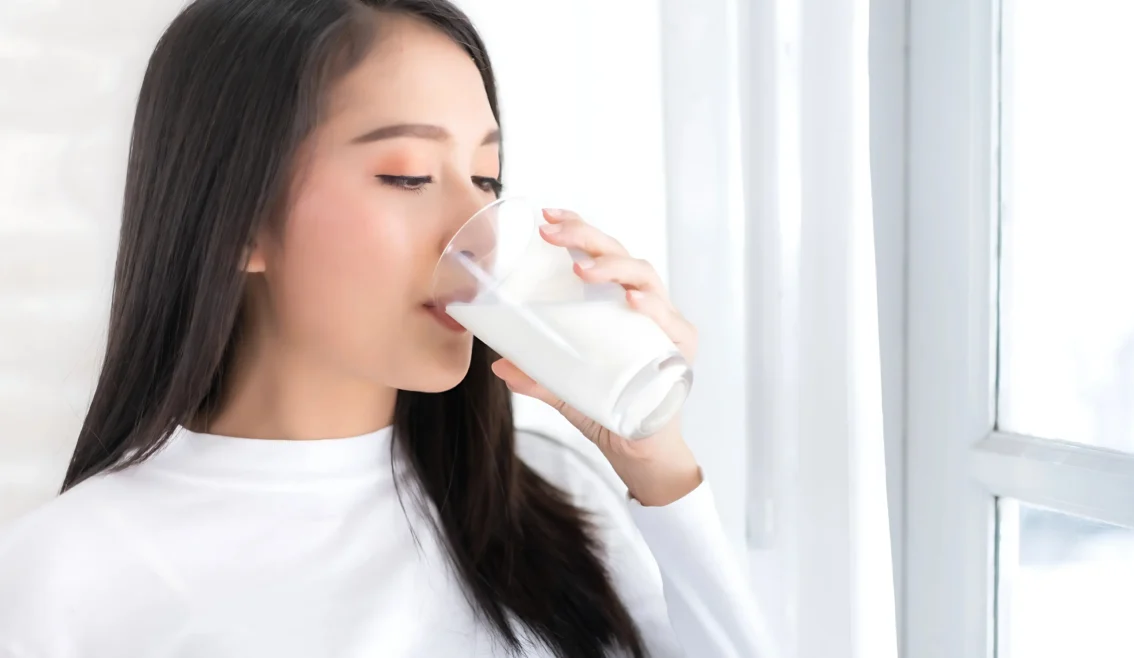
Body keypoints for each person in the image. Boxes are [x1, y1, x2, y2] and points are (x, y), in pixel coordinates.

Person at [0, 1, 773, 656]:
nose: (477, 230)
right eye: (408, 175)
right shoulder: (63, 576)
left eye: (487, 179)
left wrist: (656, 459)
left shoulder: (554, 503)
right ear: (237, 219)